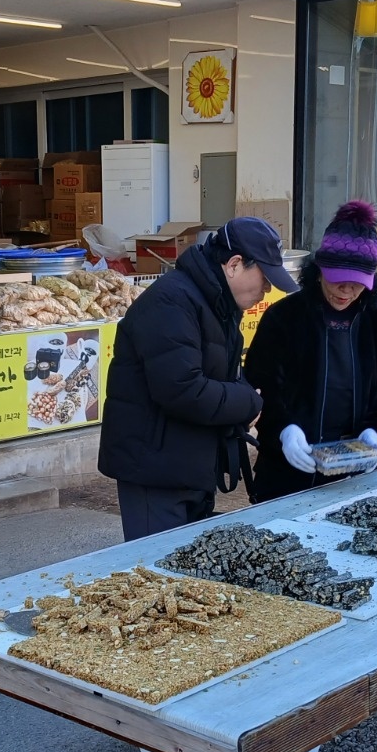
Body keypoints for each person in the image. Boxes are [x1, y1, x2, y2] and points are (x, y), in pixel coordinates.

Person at [98, 217, 298, 540]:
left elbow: (221, 377)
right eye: (264, 278)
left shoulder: (216, 304)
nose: (267, 290)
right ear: (234, 265)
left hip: (187, 465)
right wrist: (248, 402)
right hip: (155, 471)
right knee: (158, 574)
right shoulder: (172, 302)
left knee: (183, 577)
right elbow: (183, 389)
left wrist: (243, 401)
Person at [243, 200, 377, 503]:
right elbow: (258, 386)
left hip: (355, 472)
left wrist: (376, 432)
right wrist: (284, 430)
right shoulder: (285, 318)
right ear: (320, 270)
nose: (345, 292)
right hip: (286, 472)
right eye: (338, 281)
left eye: (357, 285)